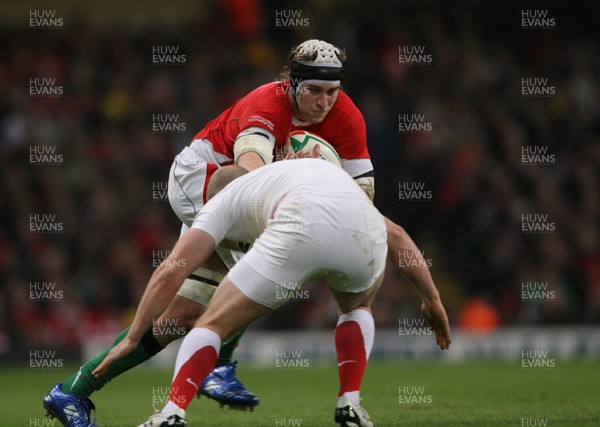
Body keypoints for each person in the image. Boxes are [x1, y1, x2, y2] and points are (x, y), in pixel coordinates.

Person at [43, 38, 447, 426]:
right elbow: (248, 176)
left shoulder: (347, 117)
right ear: (291, 84)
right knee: (268, 258)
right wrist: (289, 174)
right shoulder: (266, 104)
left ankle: (73, 391)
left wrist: (317, 181)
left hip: (248, 194)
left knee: (183, 317)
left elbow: (359, 202)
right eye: (314, 91)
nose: (324, 102)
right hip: (202, 179)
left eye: (332, 91)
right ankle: (218, 366)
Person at [93, 159, 452, 427]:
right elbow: (399, 237)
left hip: (297, 222)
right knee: (358, 304)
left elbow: (172, 270)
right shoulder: (299, 174)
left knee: (213, 322)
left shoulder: (222, 201)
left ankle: (172, 413)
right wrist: (431, 299)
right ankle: (350, 404)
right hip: (361, 224)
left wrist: (134, 336)